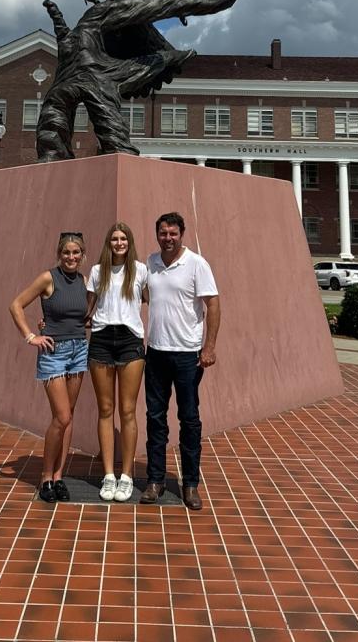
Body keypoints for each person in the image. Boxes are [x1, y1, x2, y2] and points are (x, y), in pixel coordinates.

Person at [140, 212, 220, 511]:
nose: (168, 238)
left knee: (189, 420)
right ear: (157, 234)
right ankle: (155, 480)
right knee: (155, 419)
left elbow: (213, 304)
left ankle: (190, 484)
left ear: (182, 234)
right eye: (163, 233)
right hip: (157, 352)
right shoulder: (150, 263)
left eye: (173, 233)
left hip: (188, 355)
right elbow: (133, 293)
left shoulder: (197, 264)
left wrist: (208, 347)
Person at [8, 232, 88, 503]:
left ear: (82, 255)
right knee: (61, 417)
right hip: (54, 353)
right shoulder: (47, 278)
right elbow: (16, 305)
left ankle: (58, 477)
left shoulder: (83, 281)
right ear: (59, 254)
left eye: (76, 252)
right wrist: (32, 336)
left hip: (79, 351)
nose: (71, 257)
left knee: (69, 417)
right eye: (66, 252)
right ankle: (45, 476)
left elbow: (83, 317)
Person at [86, 222, 149, 502]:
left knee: (127, 410)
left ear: (129, 241)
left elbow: (151, 301)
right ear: (108, 242)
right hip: (101, 338)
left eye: (123, 238)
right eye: (114, 238)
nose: (119, 243)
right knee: (105, 409)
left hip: (130, 341)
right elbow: (86, 307)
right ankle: (109, 475)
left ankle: (127, 475)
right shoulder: (98, 271)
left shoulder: (140, 270)